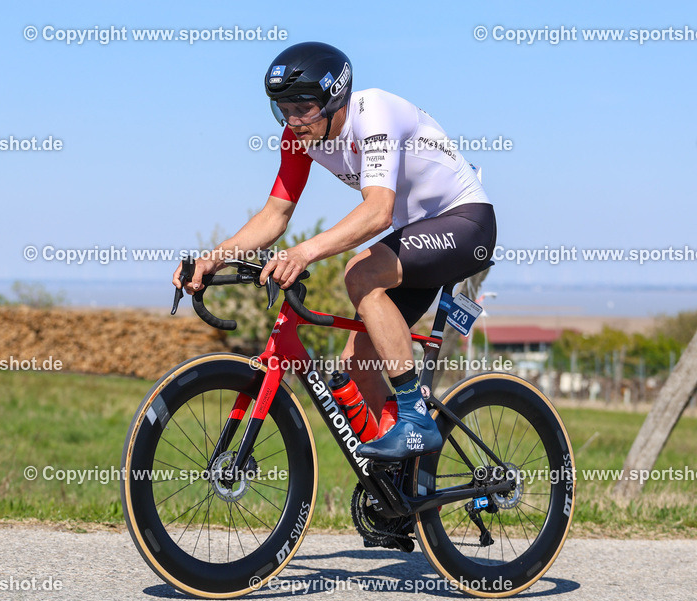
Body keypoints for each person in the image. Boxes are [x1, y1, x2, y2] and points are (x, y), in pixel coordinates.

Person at [172, 41, 496, 463]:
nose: (292, 121)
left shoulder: (374, 115)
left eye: (302, 108)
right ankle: (400, 491)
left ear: (335, 96)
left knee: (360, 273)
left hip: (466, 223)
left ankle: (416, 419)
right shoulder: (298, 138)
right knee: (357, 362)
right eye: (282, 110)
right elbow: (274, 215)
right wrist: (213, 258)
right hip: (417, 235)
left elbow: (378, 211)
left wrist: (303, 253)